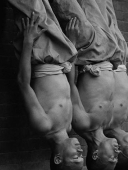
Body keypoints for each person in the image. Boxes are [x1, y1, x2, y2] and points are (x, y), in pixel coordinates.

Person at [52, 0, 128, 169]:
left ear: (96, 153)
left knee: (82, 16)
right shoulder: (105, 122)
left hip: (92, 51)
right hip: (106, 55)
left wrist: (73, 49)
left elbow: (71, 86)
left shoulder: (83, 124)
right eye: (117, 158)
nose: (116, 154)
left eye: (111, 158)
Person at [17, 12, 84, 170]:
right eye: (82, 157)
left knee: (33, 7)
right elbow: (70, 83)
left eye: (75, 157)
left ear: (58, 158)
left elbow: (23, 83)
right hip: (60, 56)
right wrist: (71, 45)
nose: (80, 150)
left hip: (40, 51)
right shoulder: (67, 127)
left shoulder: (44, 125)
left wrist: (27, 41)